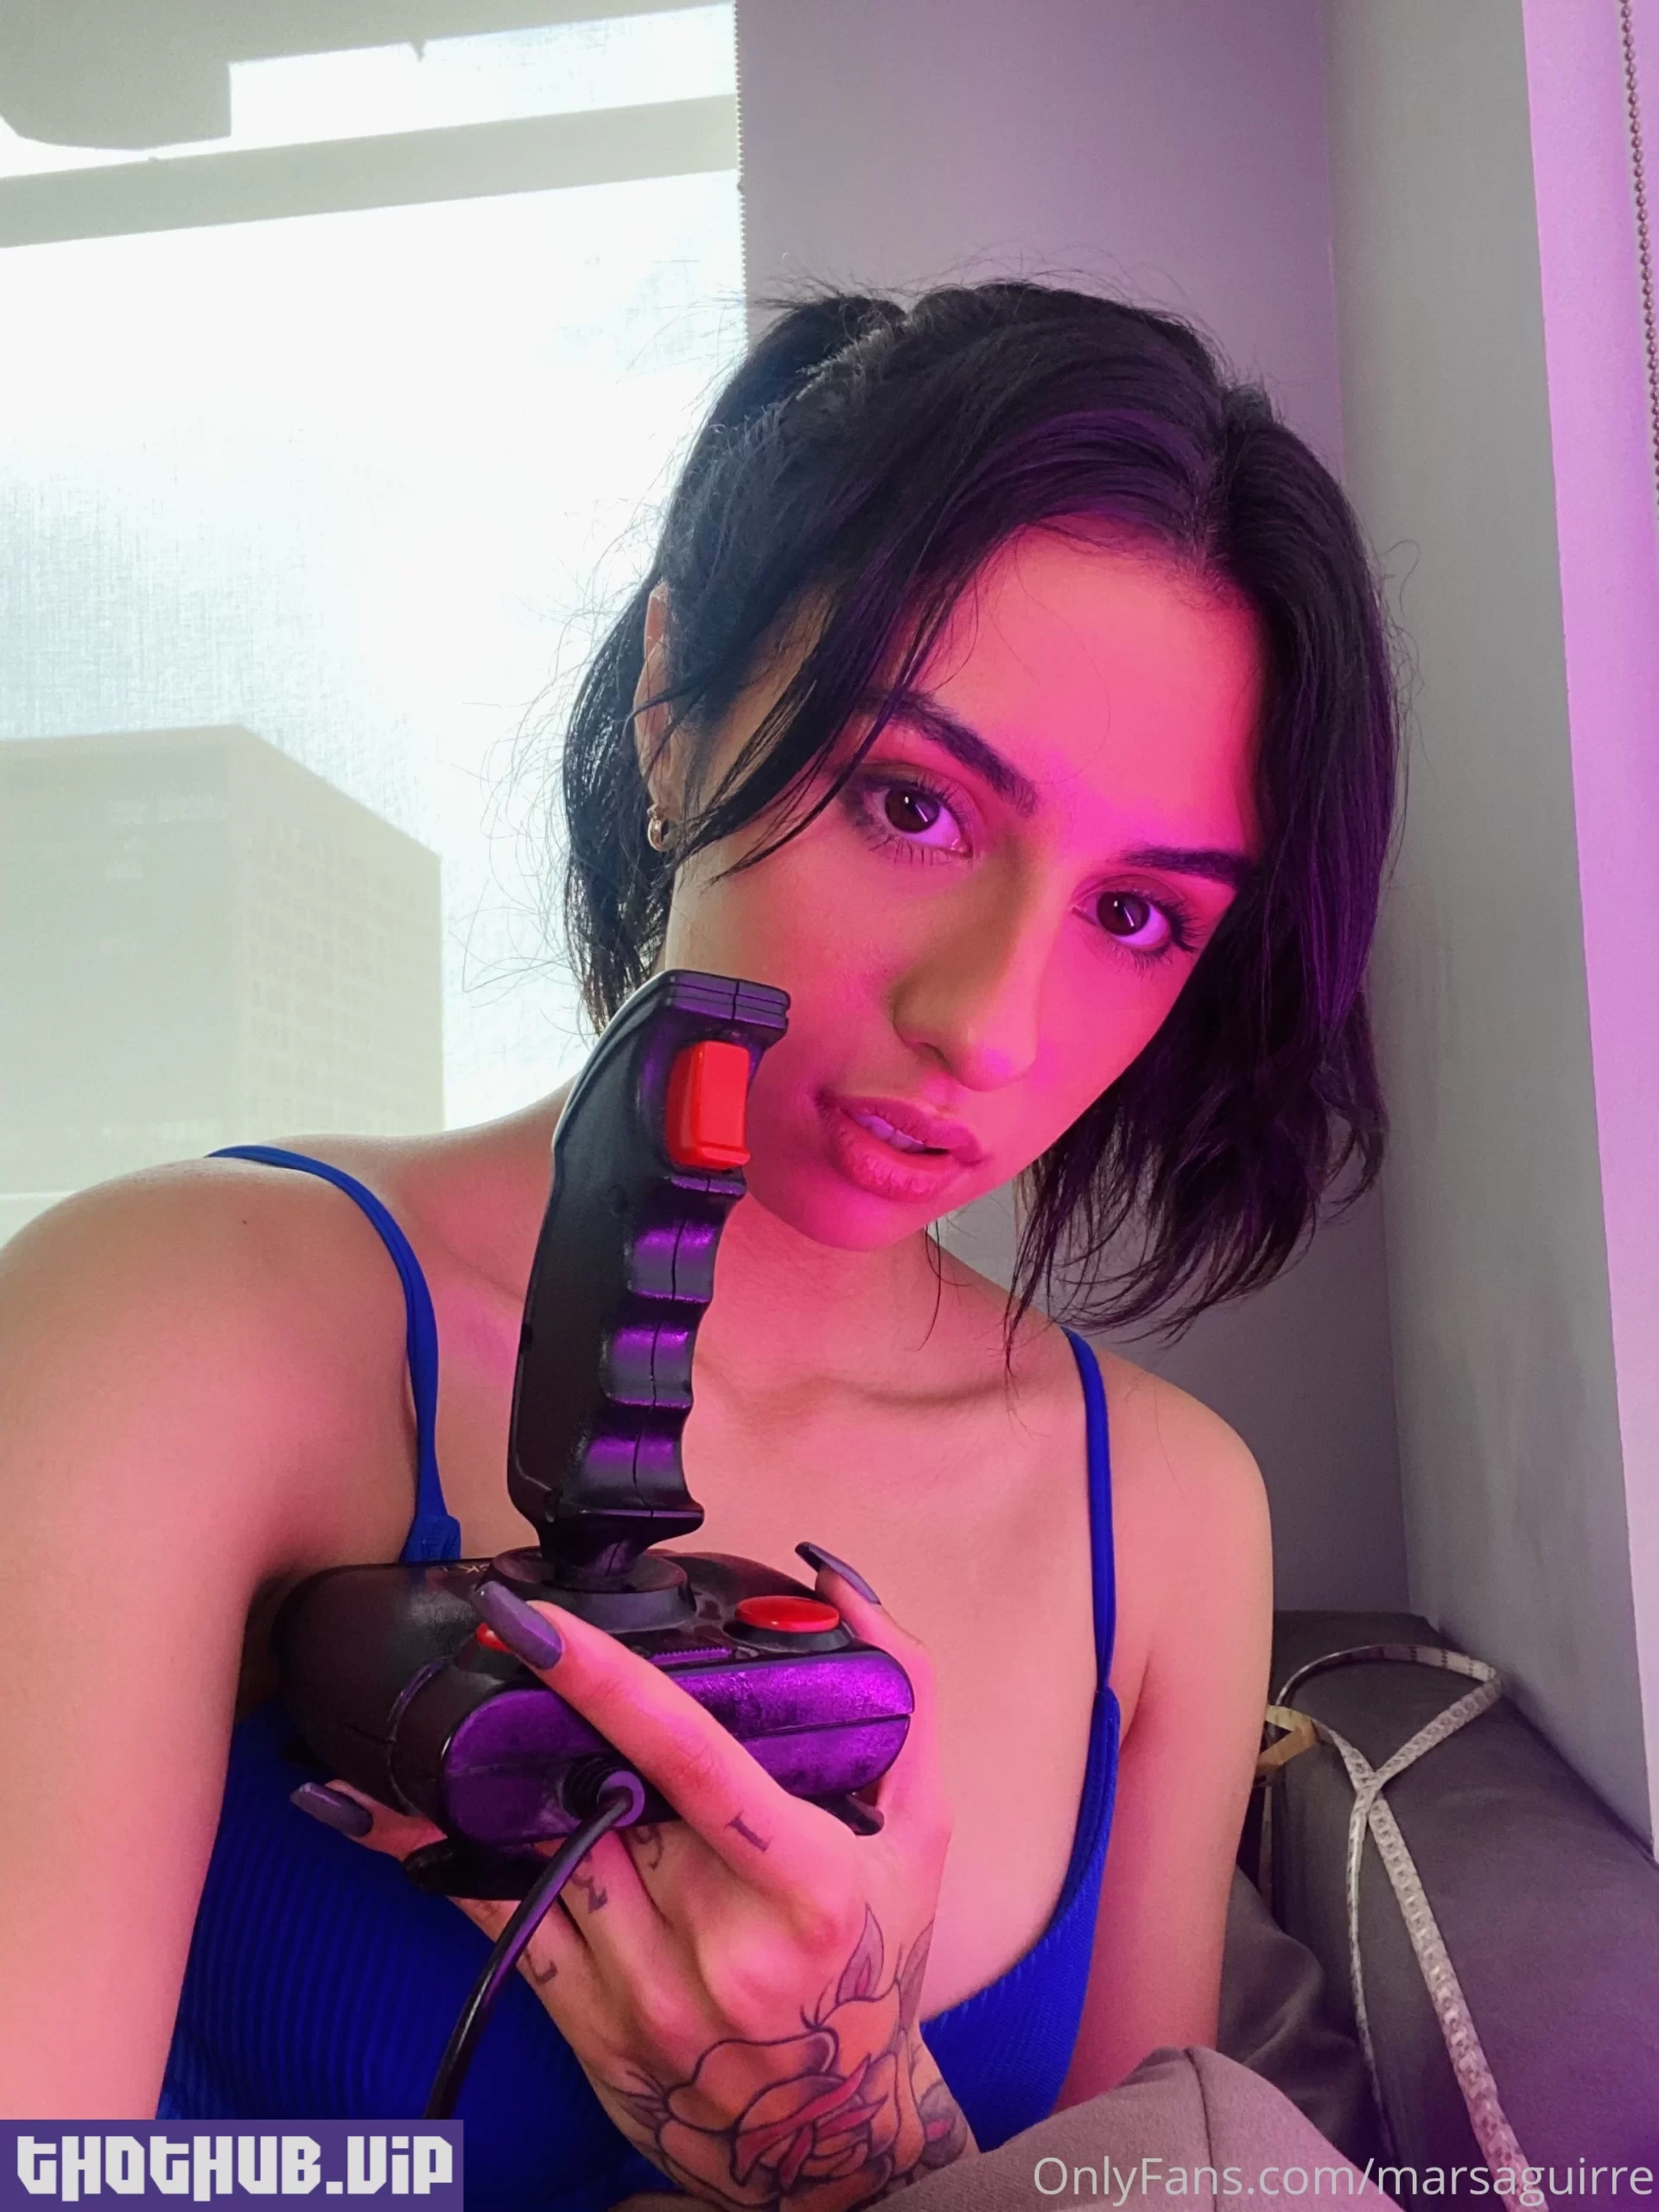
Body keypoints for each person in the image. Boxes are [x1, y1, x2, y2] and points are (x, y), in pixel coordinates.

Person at [0, 283, 1397, 2211]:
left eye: (1140, 915)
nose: (990, 1028)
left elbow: (1144, 2180)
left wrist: (861, 2145)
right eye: (911, 803)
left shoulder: (1165, 1515)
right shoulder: (171, 1329)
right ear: (671, 712)